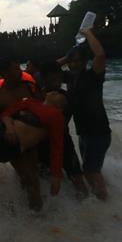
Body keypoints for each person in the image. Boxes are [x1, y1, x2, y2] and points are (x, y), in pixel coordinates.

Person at [0, 58, 65, 210]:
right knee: (26, 176)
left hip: (31, 139)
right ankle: (29, 210)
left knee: (33, 177)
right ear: (4, 73)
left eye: (20, 67)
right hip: (10, 140)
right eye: (16, 69)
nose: (20, 71)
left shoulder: (29, 87)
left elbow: (44, 107)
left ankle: (34, 211)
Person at [57, 27, 111, 200]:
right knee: (91, 169)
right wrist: (68, 56)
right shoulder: (71, 77)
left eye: (77, 61)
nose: (73, 65)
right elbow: (49, 69)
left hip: (98, 131)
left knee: (91, 171)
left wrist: (88, 34)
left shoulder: (93, 76)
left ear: (85, 62)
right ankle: (102, 199)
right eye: (71, 62)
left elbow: (100, 55)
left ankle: (104, 204)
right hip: (84, 133)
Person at [40, 61, 89, 198]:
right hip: (41, 145)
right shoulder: (37, 95)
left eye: (59, 78)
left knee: (78, 182)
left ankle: (87, 210)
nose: (57, 82)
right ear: (44, 78)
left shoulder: (65, 97)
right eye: (52, 78)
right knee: (42, 182)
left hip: (64, 142)